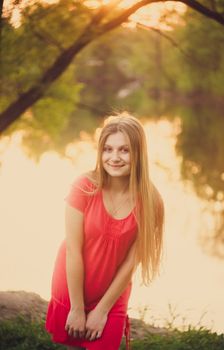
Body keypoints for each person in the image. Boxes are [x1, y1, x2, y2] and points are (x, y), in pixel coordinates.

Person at [45, 113, 164, 350]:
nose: (114, 158)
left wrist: (102, 310)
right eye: (107, 149)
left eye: (124, 150)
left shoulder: (152, 201)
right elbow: (73, 250)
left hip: (113, 291)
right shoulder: (84, 187)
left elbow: (132, 262)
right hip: (73, 284)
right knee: (73, 342)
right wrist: (77, 309)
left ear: (139, 153)